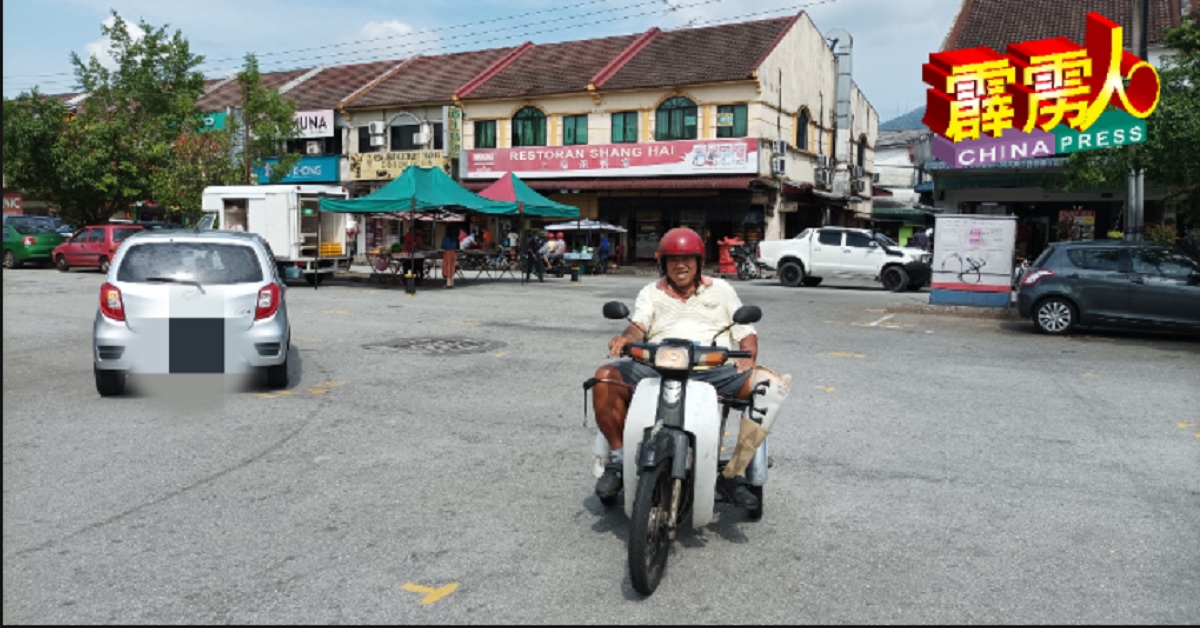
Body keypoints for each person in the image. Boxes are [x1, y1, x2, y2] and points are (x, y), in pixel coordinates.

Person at [589, 227, 793, 511]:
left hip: (713, 371)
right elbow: (638, 326)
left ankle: (733, 472)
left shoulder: (721, 290)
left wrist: (750, 356)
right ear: (664, 264)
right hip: (658, 368)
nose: (680, 265)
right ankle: (619, 460)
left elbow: (746, 330)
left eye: (687, 258)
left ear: (698, 262)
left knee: (770, 387)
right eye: (673, 259)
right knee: (605, 378)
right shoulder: (651, 292)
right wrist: (626, 338)